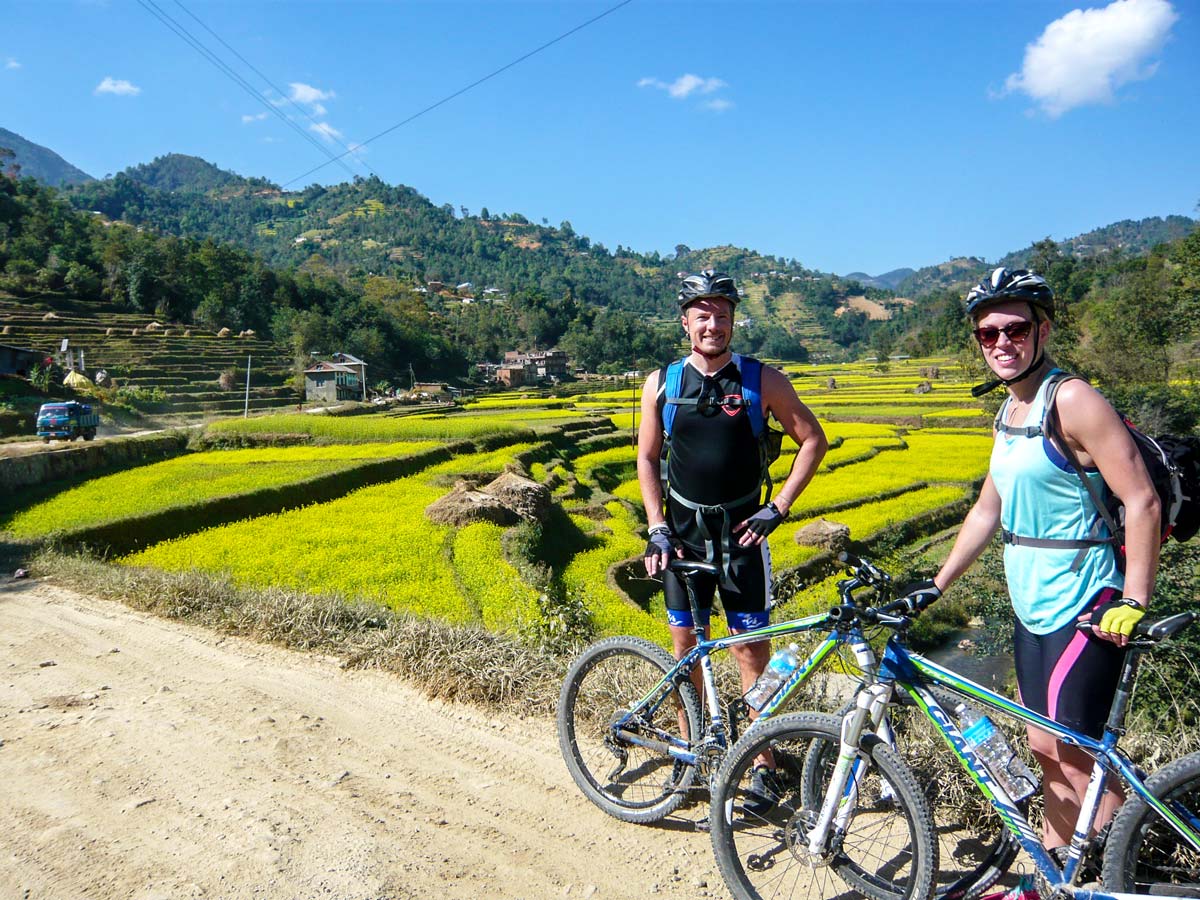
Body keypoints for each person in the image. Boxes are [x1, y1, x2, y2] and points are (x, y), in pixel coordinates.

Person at [903, 267, 1160, 862]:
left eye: (1014, 329)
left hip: (1088, 599)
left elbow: (1141, 498)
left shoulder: (1070, 399)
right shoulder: (1010, 412)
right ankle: (1055, 870)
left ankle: (1123, 870)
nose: (1001, 343)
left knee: (1076, 752)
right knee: (1042, 744)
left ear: (1043, 329)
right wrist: (935, 586)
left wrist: (1135, 600)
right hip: (1029, 600)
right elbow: (986, 512)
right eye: (987, 334)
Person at [637, 269, 827, 804]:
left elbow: (813, 440)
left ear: (733, 320)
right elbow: (648, 458)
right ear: (686, 321)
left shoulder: (761, 379)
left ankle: (763, 762)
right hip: (682, 538)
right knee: (685, 651)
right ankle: (687, 751)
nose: (713, 324)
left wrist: (779, 507)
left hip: (743, 538)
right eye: (703, 314)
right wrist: (656, 529)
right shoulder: (663, 383)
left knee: (752, 653)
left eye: (722, 314)